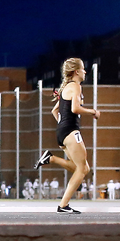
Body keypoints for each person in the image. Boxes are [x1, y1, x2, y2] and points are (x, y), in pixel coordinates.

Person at [35, 57, 99, 214]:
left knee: (83, 168)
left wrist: (61, 126)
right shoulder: (75, 86)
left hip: (63, 132)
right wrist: (92, 112)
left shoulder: (66, 88)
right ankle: (63, 205)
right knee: (82, 168)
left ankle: (51, 158)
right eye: (83, 69)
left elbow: (55, 110)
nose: (85, 72)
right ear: (76, 72)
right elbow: (75, 109)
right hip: (70, 131)